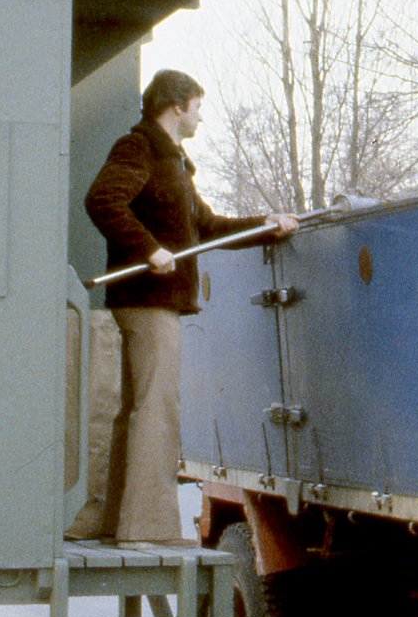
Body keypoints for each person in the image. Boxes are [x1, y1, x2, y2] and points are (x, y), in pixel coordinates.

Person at [81, 70, 299, 548]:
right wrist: (148, 248)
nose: (201, 115)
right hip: (146, 300)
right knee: (157, 408)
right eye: (198, 106)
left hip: (155, 301)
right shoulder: (139, 148)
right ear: (176, 105)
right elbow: (102, 200)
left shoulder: (174, 163)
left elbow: (209, 225)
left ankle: (112, 521)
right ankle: (146, 529)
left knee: (138, 409)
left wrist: (267, 225)